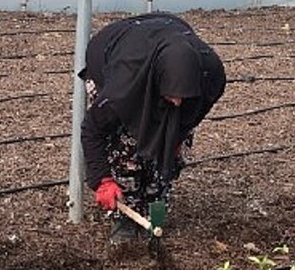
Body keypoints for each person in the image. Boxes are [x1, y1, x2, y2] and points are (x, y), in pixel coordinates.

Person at [79, 13, 226, 243]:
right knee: (127, 145)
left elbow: (193, 112)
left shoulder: (210, 75)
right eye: (173, 94)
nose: (177, 101)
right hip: (115, 53)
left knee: (169, 151)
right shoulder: (122, 87)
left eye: (183, 95)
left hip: (166, 39)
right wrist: (102, 180)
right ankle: (125, 216)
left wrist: (175, 139)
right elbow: (92, 129)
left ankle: (154, 206)